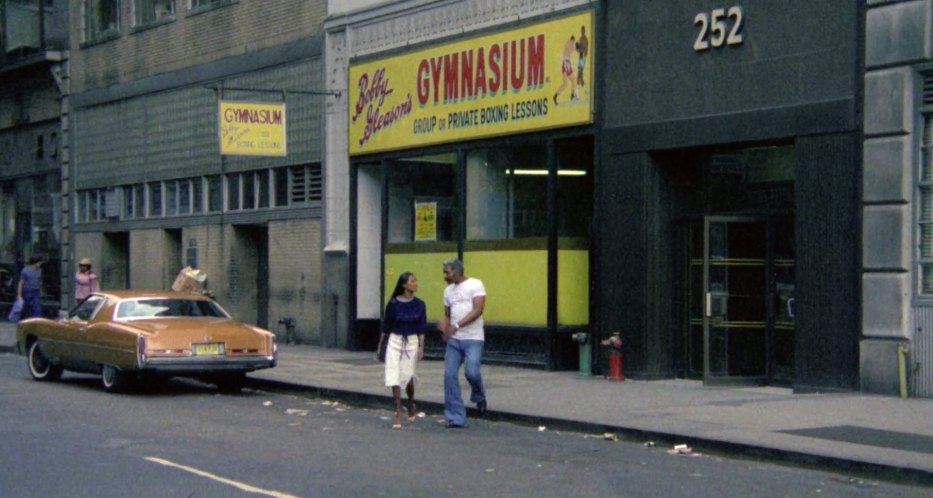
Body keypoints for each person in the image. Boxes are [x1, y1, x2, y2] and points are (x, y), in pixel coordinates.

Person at [440, 257, 487, 428]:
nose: (445, 275)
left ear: (457, 271)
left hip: (473, 337)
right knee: (449, 375)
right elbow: (447, 313)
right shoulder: (448, 291)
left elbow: (478, 310)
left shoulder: (475, 284)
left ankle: (479, 395)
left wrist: (457, 325)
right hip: (454, 339)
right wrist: (445, 326)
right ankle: (455, 416)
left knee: (472, 372)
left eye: (447, 272)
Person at [379, 272, 426, 429]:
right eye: (412, 281)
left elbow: (421, 328)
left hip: (411, 340)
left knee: (408, 375)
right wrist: (381, 347)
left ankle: (411, 402)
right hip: (395, 339)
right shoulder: (393, 304)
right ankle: (398, 411)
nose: (416, 283)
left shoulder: (420, 304)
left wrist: (421, 347)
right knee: (394, 374)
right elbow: (386, 327)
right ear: (404, 285)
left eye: (415, 280)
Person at [553, 35, 577, 106]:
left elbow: (572, 49)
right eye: (573, 41)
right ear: (572, 40)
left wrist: (575, 48)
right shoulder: (570, 44)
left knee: (565, 83)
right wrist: (576, 47)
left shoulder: (568, 43)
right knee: (573, 80)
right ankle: (572, 96)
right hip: (566, 63)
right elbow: (572, 49)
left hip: (564, 63)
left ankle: (556, 95)